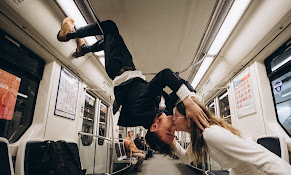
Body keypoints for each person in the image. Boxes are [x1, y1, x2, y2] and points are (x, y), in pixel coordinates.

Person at [57, 18, 209, 146]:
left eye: (168, 131)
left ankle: (68, 34)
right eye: (173, 134)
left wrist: (188, 102)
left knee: (110, 27)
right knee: (107, 42)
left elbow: (165, 75)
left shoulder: (144, 110)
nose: (173, 129)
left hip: (118, 67)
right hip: (129, 69)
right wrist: (191, 115)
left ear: (154, 127)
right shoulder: (158, 115)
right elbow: (184, 88)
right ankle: (83, 50)